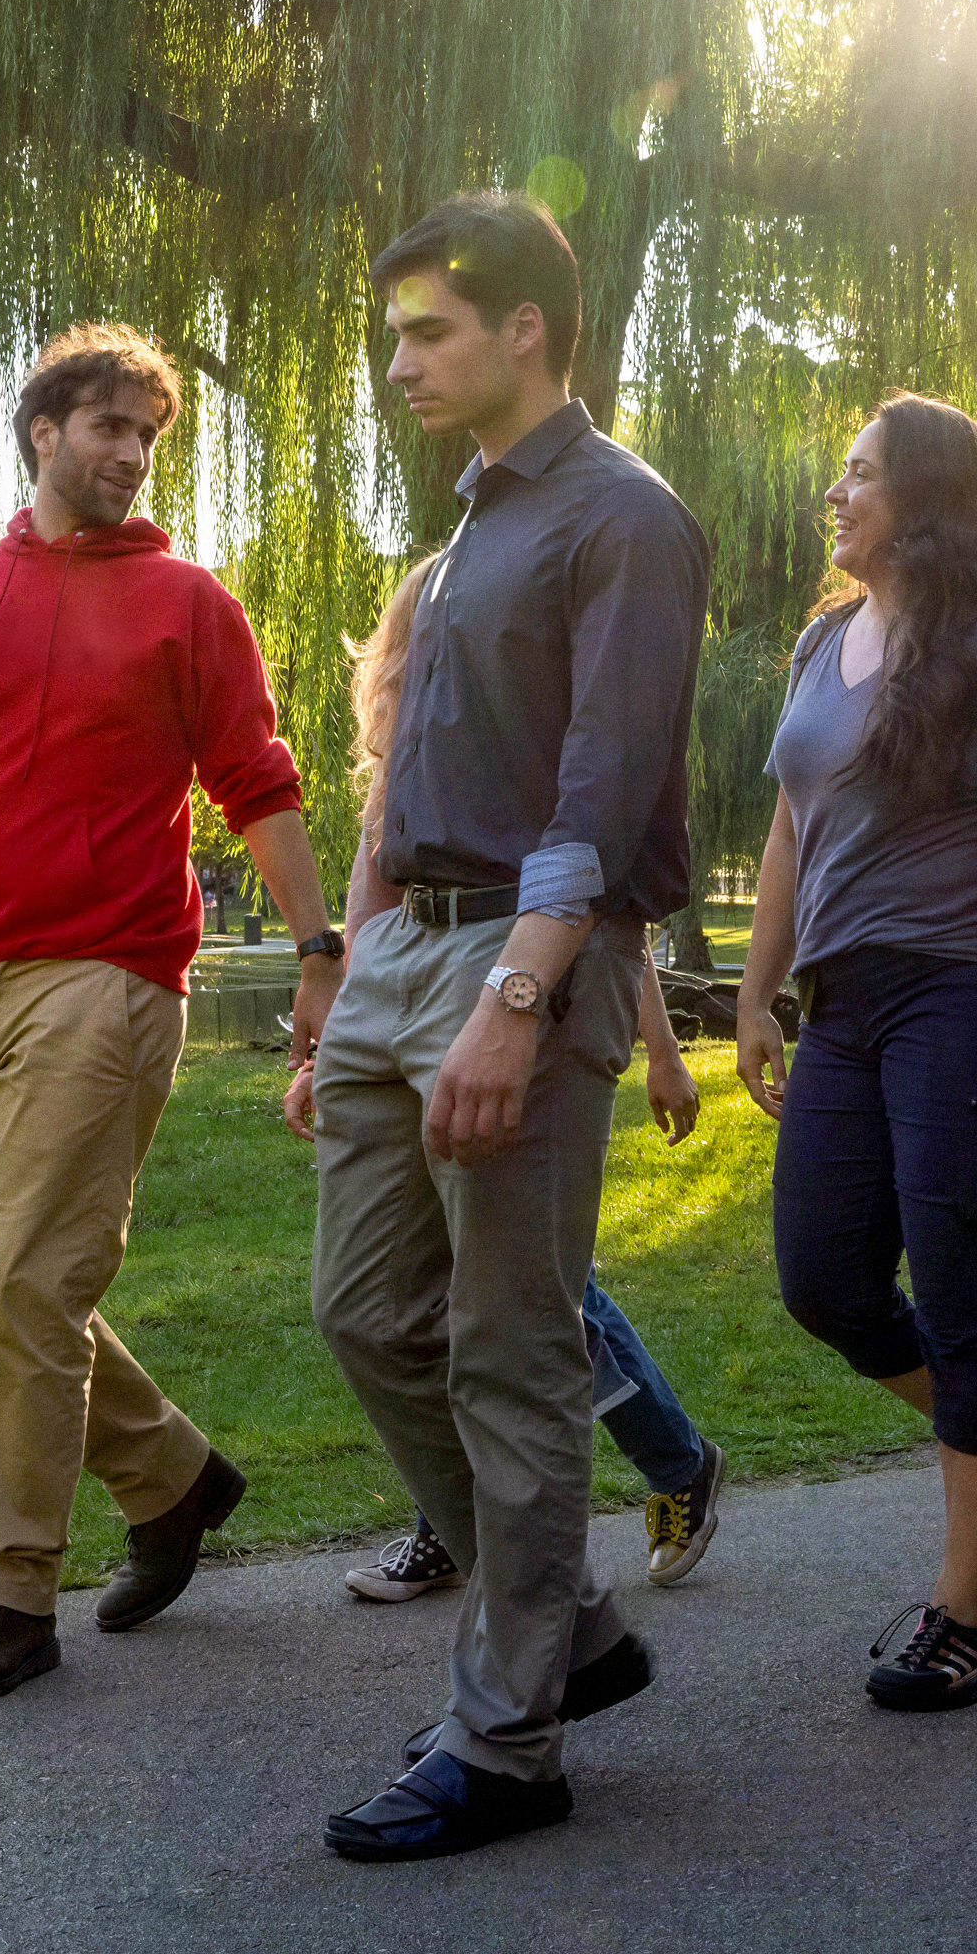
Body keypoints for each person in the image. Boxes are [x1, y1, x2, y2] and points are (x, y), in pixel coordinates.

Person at [0, 324, 347, 1712]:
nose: (127, 453)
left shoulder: (188, 603)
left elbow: (257, 780)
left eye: (147, 437)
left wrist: (315, 945)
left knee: (40, 1282)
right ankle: (173, 1471)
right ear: (43, 430)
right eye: (107, 426)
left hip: (110, 971)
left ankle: (10, 1590)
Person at [300, 193, 709, 1864]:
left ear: (529, 326)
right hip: (408, 949)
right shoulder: (468, 529)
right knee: (364, 1309)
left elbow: (602, 790)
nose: (401, 361)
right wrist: (353, 956)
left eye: (430, 331)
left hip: (531, 957)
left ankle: (510, 1734)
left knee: (515, 1347)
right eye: (397, 334)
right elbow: (409, 766)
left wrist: (520, 995)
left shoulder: (625, 519)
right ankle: (570, 1632)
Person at [728, 392, 977, 1712]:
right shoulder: (823, 642)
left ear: (925, 499)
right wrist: (757, 991)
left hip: (963, 997)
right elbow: (790, 828)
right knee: (824, 1276)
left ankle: (966, 1611)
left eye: (861, 474)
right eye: (839, 471)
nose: (836, 494)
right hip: (844, 1001)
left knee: (962, 1287)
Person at [315, 557, 730, 1607]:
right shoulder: (403, 758)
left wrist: (665, 1050)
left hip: (510, 1001)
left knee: (528, 1297)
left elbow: (588, 901)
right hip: (402, 1013)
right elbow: (374, 904)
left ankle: (673, 1465)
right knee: (413, 1296)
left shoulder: (524, 742)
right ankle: (456, 1526)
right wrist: (332, 1048)